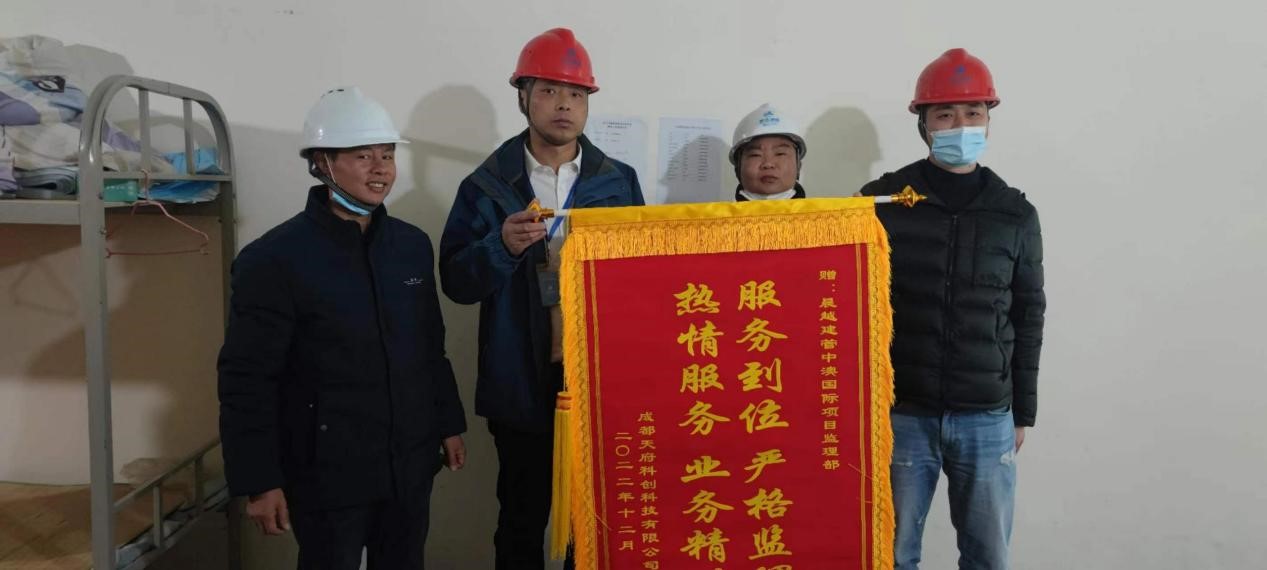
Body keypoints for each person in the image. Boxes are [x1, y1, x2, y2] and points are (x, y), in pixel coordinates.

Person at [218, 86, 467, 570]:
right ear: (322, 163)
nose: (380, 169)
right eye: (362, 156)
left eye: (387, 155)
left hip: (409, 461)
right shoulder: (274, 259)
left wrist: (449, 424)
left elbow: (429, 349)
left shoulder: (410, 246)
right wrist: (260, 481)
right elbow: (247, 379)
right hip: (326, 471)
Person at [438, 27, 643, 570]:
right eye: (550, 90)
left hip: (596, 382)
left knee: (591, 521)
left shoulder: (618, 183)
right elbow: (456, 282)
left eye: (576, 94)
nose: (564, 105)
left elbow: (641, 283)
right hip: (519, 381)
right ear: (523, 97)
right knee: (521, 517)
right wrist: (500, 246)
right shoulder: (486, 185)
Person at [859, 48, 1046, 569]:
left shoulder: (1014, 213)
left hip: (986, 415)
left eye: (973, 113)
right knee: (891, 555)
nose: (960, 126)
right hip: (901, 413)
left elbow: (1029, 314)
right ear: (923, 123)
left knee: (987, 557)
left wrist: (1022, 411)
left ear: (988, 119)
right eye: (944, 114)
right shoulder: (882, 202)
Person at [729, 103, 809, 201]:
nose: (768, 164)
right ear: (737, 168)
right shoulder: (716, 211)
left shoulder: (821, 211)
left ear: (798, 165)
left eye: (780, 153)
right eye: (755, 155)